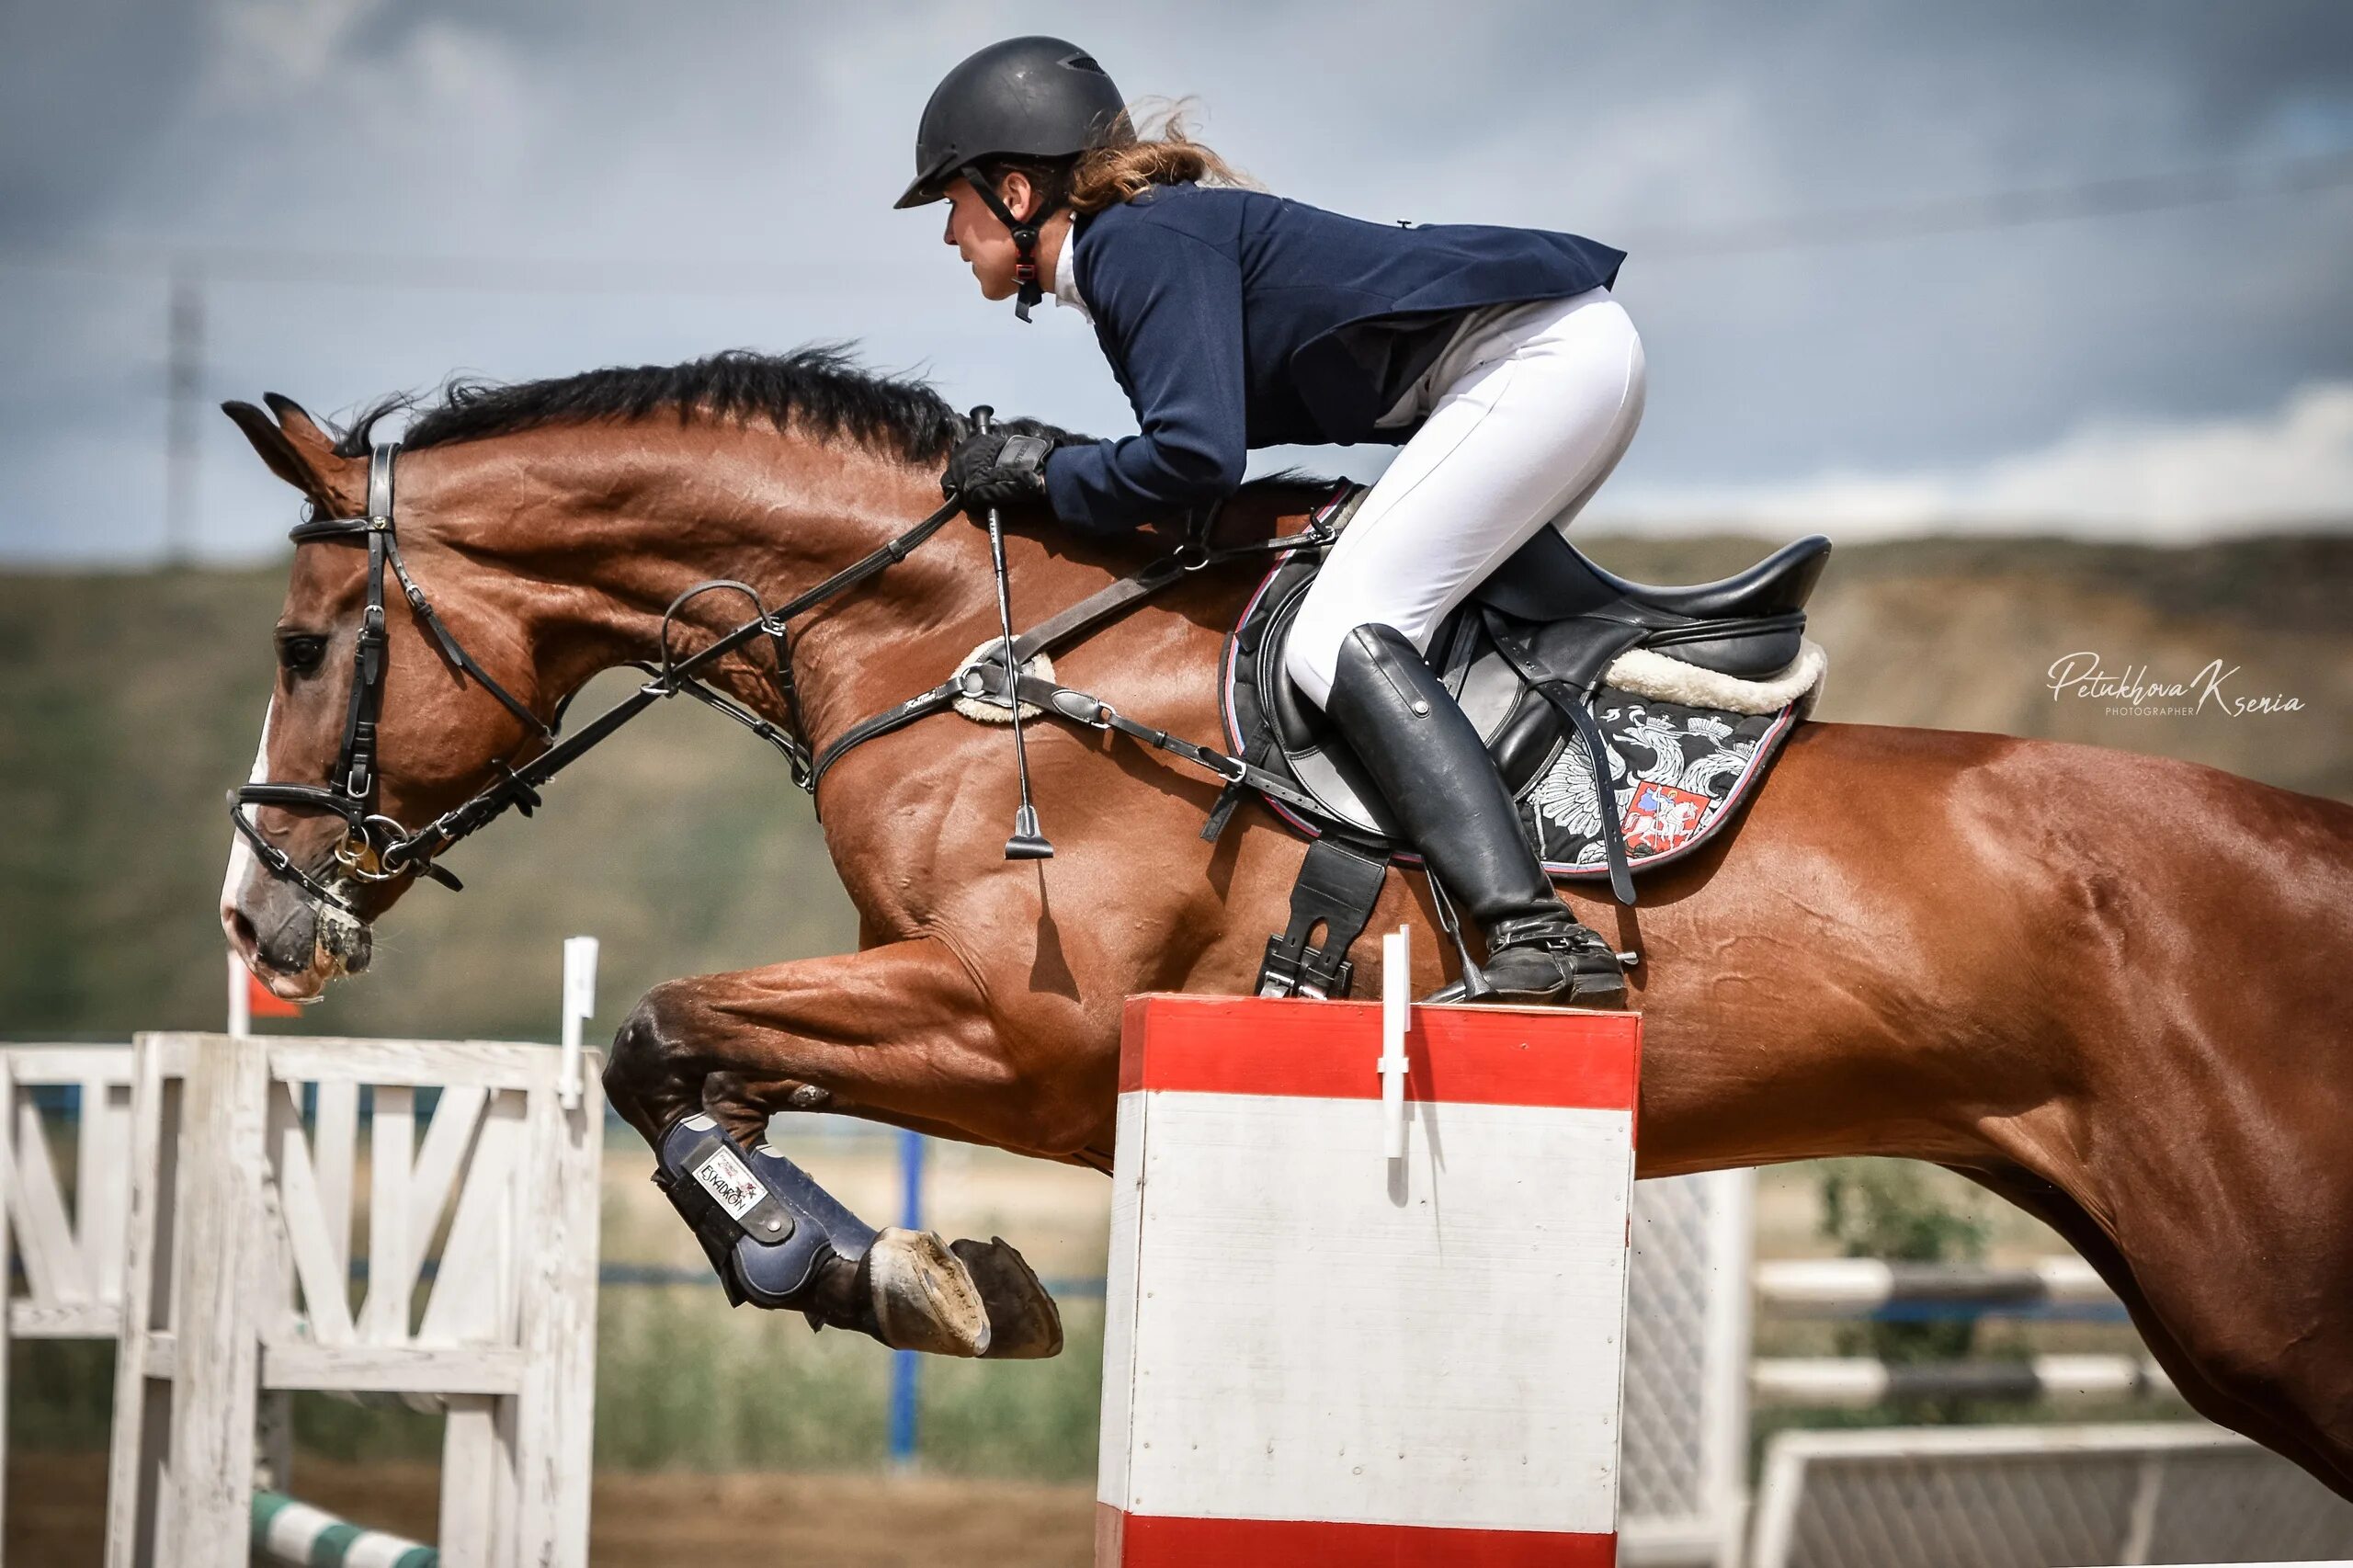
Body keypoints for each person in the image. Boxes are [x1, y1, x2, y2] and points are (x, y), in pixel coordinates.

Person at [900, 36, 1640, 1001]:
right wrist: (1063, 472)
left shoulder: (1134, 242)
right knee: (1408, 627)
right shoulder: (1133, 245)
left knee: (1336, 638)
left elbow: (1193, 456)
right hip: (1555, 357)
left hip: (1536, 362)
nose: (949, 236)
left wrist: (1047, 472)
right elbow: (1198, 474)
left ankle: (1537, 937)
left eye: (951, 203)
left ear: (1014, 191)